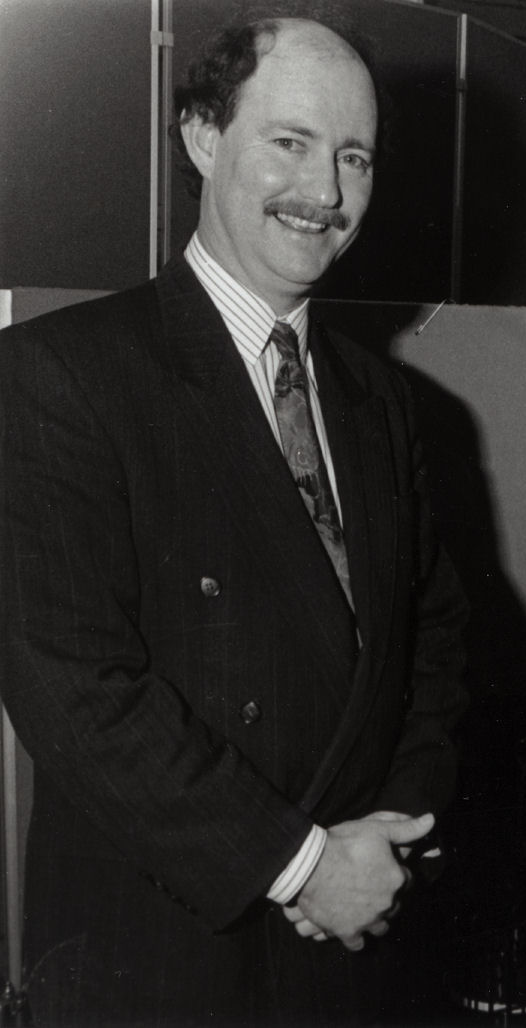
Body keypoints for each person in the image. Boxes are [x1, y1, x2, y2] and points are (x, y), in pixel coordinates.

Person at [0, 12, 468, 1025]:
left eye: (355, 157)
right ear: (203, 137)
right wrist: (302, 865)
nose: (327, 193)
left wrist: (384, 842)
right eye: (290, 143)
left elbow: (433, 648)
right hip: (160, 961)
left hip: (352, 960)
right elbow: (74, 688)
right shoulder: (60, 374)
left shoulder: (384, 404)